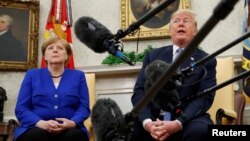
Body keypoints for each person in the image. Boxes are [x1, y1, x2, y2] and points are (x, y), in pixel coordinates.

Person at [131, 9, 217, 141]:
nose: (181, 24)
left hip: (188, 120)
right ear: (170, 31)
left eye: (186, 21)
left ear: (195, 31)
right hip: (154, 118)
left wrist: (178, 123)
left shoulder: (206, 60)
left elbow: (205, 97)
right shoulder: (153, 56)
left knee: (201, 132)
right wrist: (147, 122)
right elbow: (140, 91)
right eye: (176, 21)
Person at [14, 36, 90, 141]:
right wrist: (40, 123)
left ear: (67, 55)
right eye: (50, 48)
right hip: (35, 127)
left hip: (69, 129)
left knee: (75, 136)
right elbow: (21, 108)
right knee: (37, 136)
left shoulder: (78, 76)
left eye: (60, 48)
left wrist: (72, 123)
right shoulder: (32, 75)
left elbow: (83, 108)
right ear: (45, 56)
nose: (55, 50)